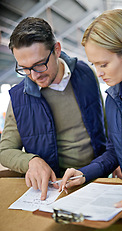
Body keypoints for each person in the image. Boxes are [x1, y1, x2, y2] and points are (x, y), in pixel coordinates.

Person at [59, 9, 122, 223]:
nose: (99, 72)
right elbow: (115, 150)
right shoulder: (113, 97)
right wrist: (84, 173)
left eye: (103, 64)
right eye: (94, 64)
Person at [0, 17, 108, 200]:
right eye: (25, 69)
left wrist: (117, 158)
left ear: (56, 49)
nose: (34, 75)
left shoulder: (86, 74)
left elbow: (105, 123)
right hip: (55, 187)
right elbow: (5, 151)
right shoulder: (19, 98)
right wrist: (31, 161)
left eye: (39, 64)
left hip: (97, 176)